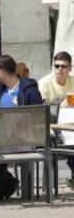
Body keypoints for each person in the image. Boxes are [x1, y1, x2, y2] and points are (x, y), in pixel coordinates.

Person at [0, 55, 43, 201]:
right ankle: (7, 182)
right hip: (4, 138)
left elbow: (37, 118)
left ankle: (1, 187)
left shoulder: (29, 91)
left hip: (25, 139)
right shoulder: (0, 90)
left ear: (1, 72)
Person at [38, 51, 74, 188]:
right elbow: (42, 106)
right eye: (57, 66)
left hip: (70, 124)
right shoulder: (45, 82)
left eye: (63, 66)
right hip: (52, 125)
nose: (60, 69)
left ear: (70, 68)